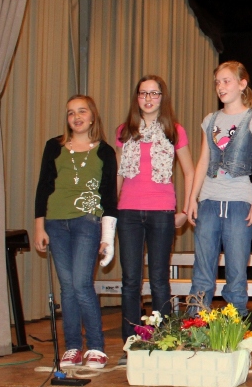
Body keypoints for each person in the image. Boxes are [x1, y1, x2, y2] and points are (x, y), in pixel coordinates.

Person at [33, 95, 118, 369]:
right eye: (71, 113)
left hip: (87, 222)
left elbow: (109, 197)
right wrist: (39, 226)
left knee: (81, 284)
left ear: (92, 117)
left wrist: (107, 237)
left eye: (82, 111)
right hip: (56, 223)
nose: (76, 117)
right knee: (67, 287)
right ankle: (72, 347)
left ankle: (96, 347)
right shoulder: (54, 146)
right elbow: (43, 186)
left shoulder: (105, 151)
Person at [185, 61, 252, 317]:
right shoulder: (210, 120)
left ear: (242, 84)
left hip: (239, 202)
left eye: (226, 81)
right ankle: (196, 325)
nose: (220, 87)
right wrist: (192, 199)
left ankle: (235, 326)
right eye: (217, 82)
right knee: (203, 270)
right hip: (209, 200)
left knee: (236, 272)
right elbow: (203, 161)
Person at [115, 75, 194, 340]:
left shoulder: (174, 131)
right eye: (143, 93)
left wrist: (186, 211)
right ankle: (131, 339)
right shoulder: (124, 131)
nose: (148, 99)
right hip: (128, 212)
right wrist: (111, 212)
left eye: (154, 93)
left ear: (162, 97)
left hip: (161, 212)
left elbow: (190, 172)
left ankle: (164, 339)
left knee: (160, 280)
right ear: (136, 97)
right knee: (130, 281)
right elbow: (118, 173)